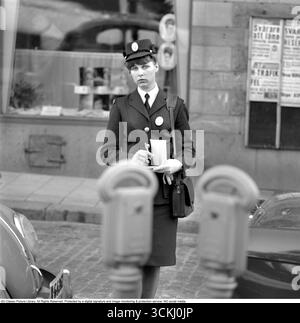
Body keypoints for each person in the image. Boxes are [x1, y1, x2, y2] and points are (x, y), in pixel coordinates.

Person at [100, 39, 193, 299]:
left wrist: (177, 163)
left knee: (153, 262)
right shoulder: (121, 105)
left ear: (156, 67)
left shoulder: (175, 104)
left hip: (163, 198)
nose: (140, 73)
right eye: (134, 68)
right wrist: (130, 158)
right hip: (131, 198)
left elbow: (190, 149)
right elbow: (107, 151)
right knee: (131, 262)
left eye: (144, 66)